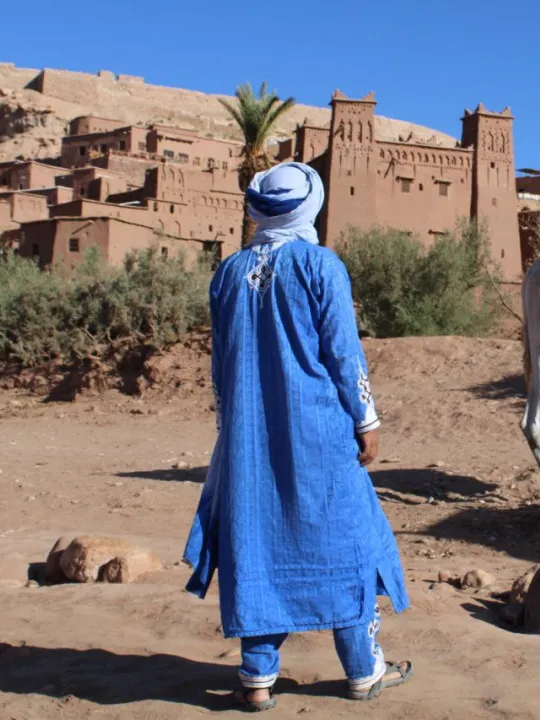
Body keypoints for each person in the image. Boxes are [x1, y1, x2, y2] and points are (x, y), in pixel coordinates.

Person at [183, 162, 412, 711]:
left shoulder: (228, 273)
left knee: (256, 542)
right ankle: (364, 669)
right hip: (320, 432)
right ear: (312, 206)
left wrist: (230, 429)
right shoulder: (320, 265)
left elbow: (220, 367)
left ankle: (257, 678)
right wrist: (367, 419)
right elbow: (342, 352)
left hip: (246, 438)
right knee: (349, 539)